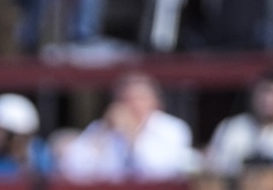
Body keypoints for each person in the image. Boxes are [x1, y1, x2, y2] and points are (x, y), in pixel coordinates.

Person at [57, 73, 197, 181]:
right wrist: (102, 132)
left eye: (140, 98)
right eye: (126, 99)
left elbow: (159, 171)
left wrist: (132, 134)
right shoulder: (101, 128)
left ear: (155, 101)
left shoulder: (172, 128)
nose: (133, 104)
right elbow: (73, 167)